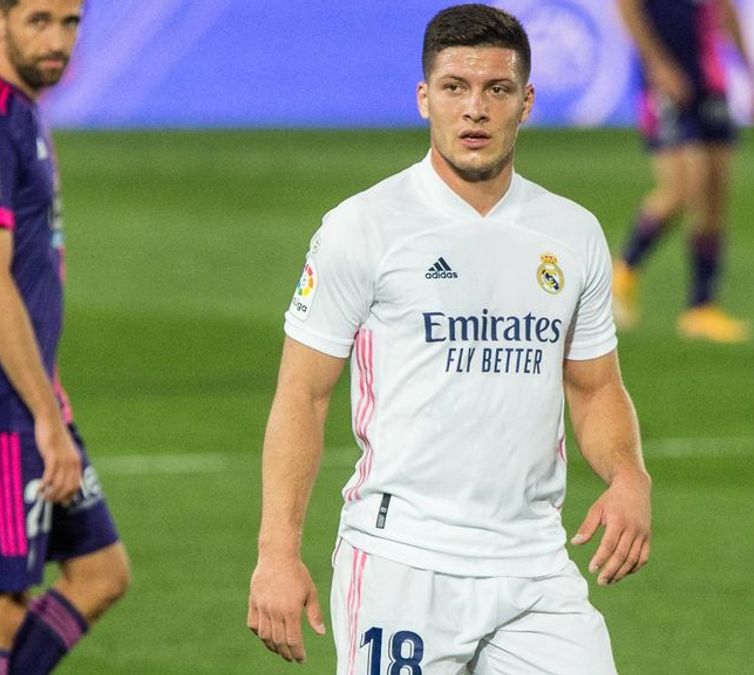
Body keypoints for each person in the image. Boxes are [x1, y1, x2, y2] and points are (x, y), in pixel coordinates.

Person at [247, 4, 651, 673]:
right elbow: (303, 394)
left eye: (496, 90)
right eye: (455, 88)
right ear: (423, 98)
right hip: (403, 566)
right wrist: (275, 553)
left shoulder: (571, 233)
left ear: (526, 103)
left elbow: (595, 384)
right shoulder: (364, 228)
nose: (475, 110)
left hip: (533, 568)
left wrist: (629, 474)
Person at [0, 1, 129, 673]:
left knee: (100, 570)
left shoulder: (16, 110)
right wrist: (44, 415)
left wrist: (53, 398)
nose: (58, 40)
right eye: (39, 19)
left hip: (26, 392)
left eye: (70, 23)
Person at [611, 0, 754, 343]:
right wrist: (657, 64)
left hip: (709, 80)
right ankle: (623, 270)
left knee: (715, 193)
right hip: (665, 81)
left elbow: (725, 11)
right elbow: (626, 8)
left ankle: (702, 307)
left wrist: (750, 71)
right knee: (683, 188)